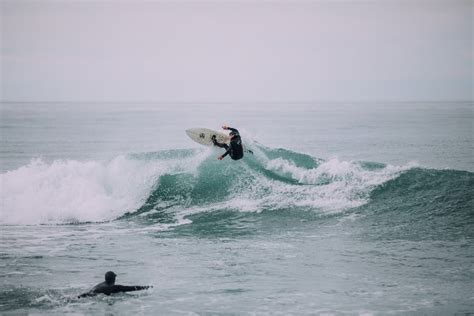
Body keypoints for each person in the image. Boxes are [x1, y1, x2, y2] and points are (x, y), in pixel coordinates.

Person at [78, 271, 152, 298]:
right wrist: (146, 287)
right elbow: (130, 288)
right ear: (113, 279)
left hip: (87, 295)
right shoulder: (112, 287)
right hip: (91, 297)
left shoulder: (102, 284)